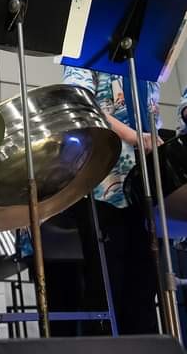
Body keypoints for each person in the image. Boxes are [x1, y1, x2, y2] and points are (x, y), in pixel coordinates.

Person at [62, 66, 162, 334]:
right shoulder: (85, 51)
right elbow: (80, 103)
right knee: (106, 288)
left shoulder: (146, 60)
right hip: (104, 182)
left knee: (144, 289)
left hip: (145, 185)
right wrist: (136, 137)